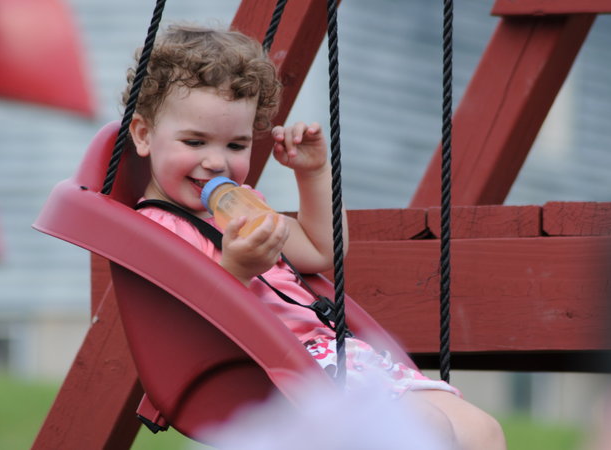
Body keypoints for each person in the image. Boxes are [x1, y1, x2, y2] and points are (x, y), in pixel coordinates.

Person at [124, 23, 506, 450]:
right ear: (143, 135)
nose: (216, 162)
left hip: (336, 355)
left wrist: (313, 173)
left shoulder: (244, 206)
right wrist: (235, 270)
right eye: (195, 142)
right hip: (269, 372)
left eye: (235, 146)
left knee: (481, 431)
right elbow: (183, 330)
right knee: (423, 428)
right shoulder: (155, 229)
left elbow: (322, 250)